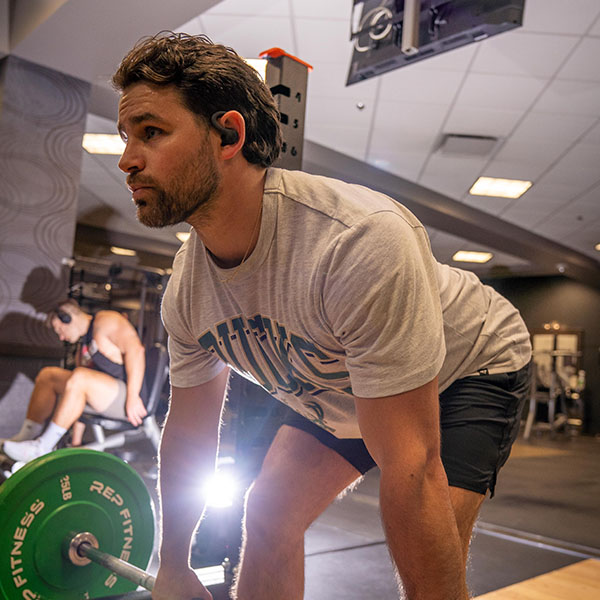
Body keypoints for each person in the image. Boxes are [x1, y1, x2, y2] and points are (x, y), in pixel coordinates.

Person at [113, 32, 532, 600]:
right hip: (337, 379)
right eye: (125, 136)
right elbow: (188, 431)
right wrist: (174, 564)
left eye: (151, 132)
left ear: (229, 134)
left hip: (469, 366)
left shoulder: (355, 243)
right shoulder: (189, 291)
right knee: (265, 514)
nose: (126, 159)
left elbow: (410, 476)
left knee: (430, 549)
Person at [1, 299, 146, 462]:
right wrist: (75, 442)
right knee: (48, 376)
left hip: (129, 398)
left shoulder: (106, 321)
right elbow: (78, 396)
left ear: (68, 318)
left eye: (60, 330)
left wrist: (133, 397)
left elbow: (136, 351)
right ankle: (25, 437)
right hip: (105, 396)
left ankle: (41, 447)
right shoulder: (82, 348)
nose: (61, 337)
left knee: (79, 376)